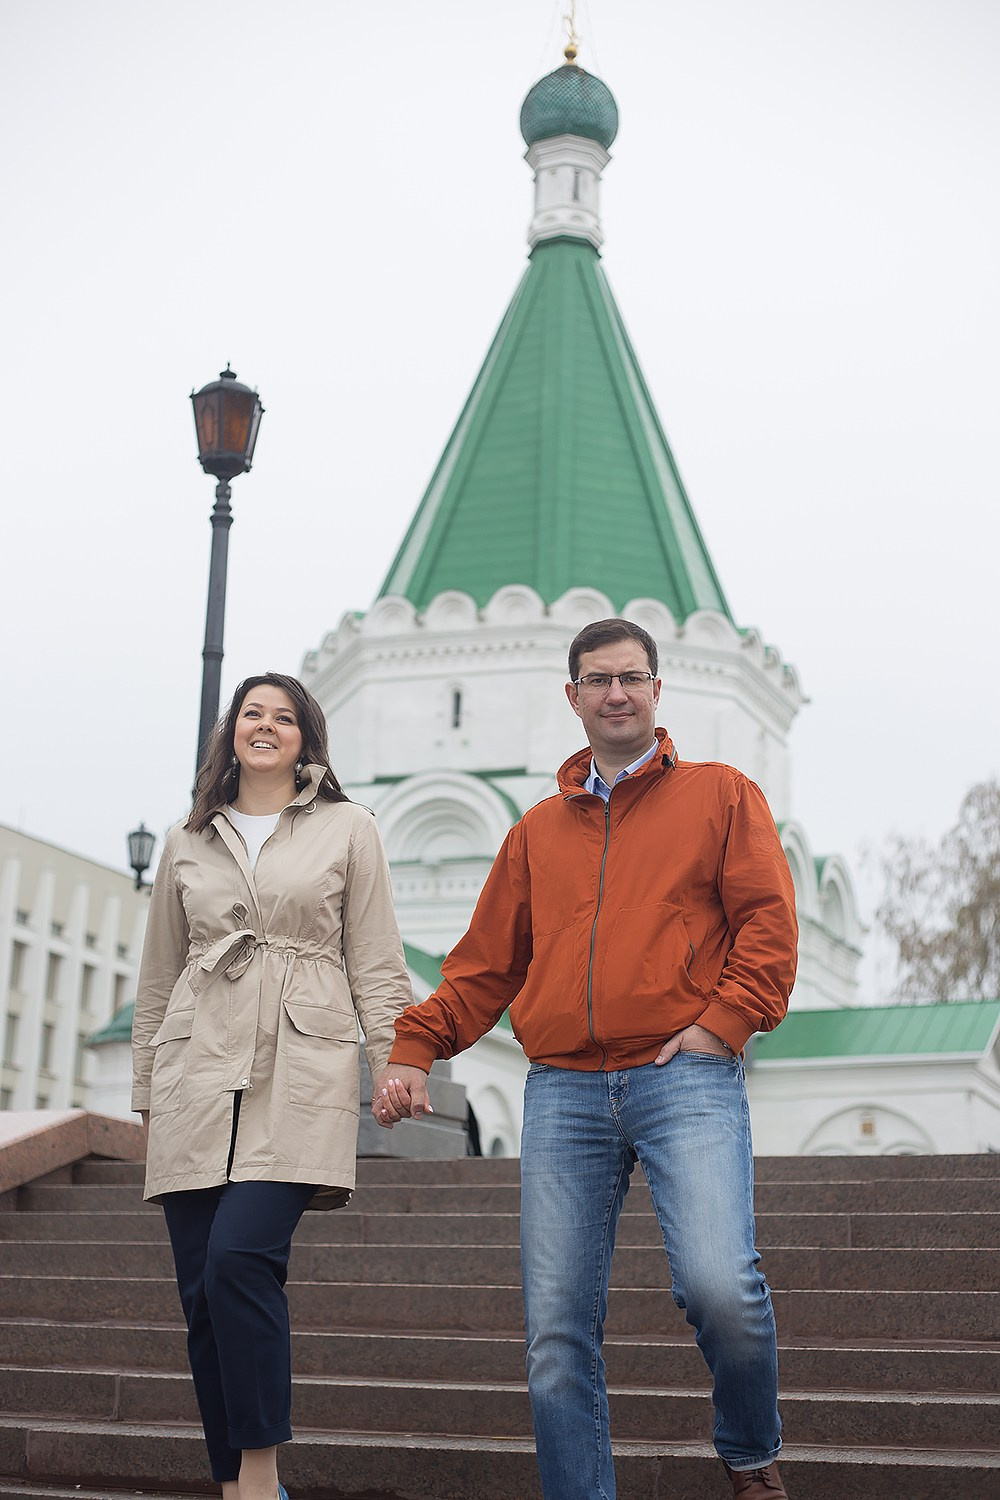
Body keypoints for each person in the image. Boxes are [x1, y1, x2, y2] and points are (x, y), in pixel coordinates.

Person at [373, 618, 798, 1500]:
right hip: (564, 1088)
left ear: (655, 690)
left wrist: (725, 1024)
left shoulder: (721, 795)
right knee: (557, 1330)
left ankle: (751, 1456)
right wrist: (417, 1047)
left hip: (684, 1076)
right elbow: (485, 967)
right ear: (573, 698)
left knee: (723, 1287)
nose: (616, 693)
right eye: (598, 680)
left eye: (632, 678)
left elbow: (767, 923)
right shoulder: (537, 833)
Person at [132, 671, 413, 1500]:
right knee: (200, 1290)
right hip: (195, 1066)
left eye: (283, 717)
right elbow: (158, 975)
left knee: (238, 1262)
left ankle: (258, 1479)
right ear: (232, 733)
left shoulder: (348, 827)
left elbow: (376, 959)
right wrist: (148, 1084)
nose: (265, 725)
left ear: (305, 739)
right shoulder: (189, 839)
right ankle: (235, 1484)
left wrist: (397, 1059)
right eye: (251, 713)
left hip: (299, 1066)